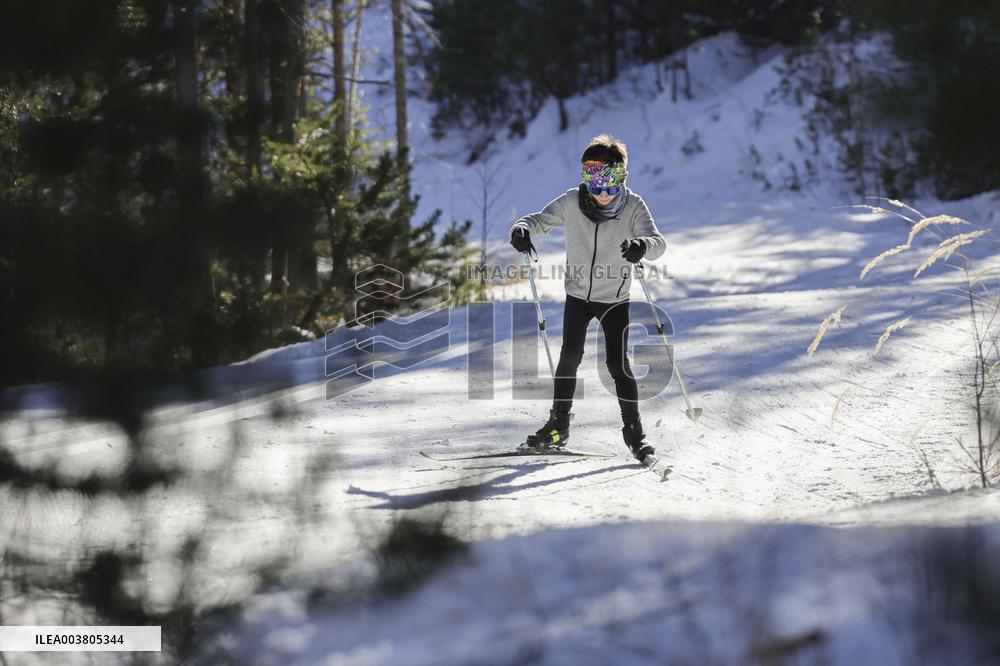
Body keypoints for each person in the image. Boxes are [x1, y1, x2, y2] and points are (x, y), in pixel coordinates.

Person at [510, 133, 666, 462]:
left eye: (611, 185)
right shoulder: (571, 202)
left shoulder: (634, 206)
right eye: (595, 185)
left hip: (615, 299)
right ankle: (559, 425)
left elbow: (657, 242)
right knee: (569, 358)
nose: (603, 194)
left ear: (622, 179)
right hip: (578, 296)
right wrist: (521, 229)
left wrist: (641, 247)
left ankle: (634, 433)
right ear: (585, 180)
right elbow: (537, 220)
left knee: (617, 365)